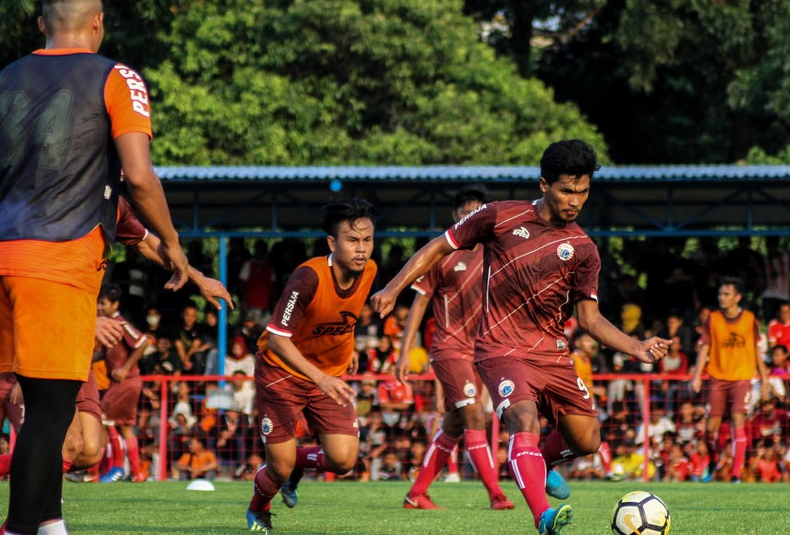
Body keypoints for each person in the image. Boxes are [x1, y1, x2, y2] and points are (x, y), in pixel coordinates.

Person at [0, 1, 188, 533]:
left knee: (39, 401)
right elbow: (141, 179)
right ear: (99, 21)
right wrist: (172, 243)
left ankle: (51, 523)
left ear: (41, 24)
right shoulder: (116, 77)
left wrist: (1, 224)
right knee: (53, 416)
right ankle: (16, 529)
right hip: (59, 258)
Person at [370, 140, 669, 535]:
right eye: (566, 190)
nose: (574, 201)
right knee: (522, 418)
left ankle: (537, 464)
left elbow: (590, 319)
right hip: (500, 348)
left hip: (552, 353)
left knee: (586, 439)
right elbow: (438, 246)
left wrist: (636, 346)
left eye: (582, 192)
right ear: (544, 184)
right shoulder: (499, 217)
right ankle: (543, 516)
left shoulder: (584, 249)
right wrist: (393, 288)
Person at [0, 198, 230, 528]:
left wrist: (198, 278)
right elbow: (33, 283)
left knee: (89, 451)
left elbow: (148, 243)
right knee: (67, 446)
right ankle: (15, 523)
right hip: (48, 336)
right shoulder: (51, 202)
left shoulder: (111, 203)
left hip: (78, 342)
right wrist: (83, 323)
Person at [245, 199, 378, 534]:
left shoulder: (371, 270)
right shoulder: (307, 277)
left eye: (367, 240)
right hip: (281, 373)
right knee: (277, 468)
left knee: (345, 460)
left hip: (329, 375)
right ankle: (258, 508)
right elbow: (277, 339)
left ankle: (296, 464)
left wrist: (346, 347)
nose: (361, 249)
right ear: (332, 243)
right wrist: (320, 377)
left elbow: (342, 316)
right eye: (352, 241)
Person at [393, 185, 513, 511]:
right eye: (465, 213)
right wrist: (404, 353)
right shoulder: (441, 255)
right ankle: (496, 495)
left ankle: (416, 494)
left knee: (455, 424)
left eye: (477, 212)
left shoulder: (496, 253)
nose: (471, 218)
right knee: (475, 414)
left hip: (480, 352)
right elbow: (419, 305)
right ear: (455, 216)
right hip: (449, 349)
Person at [690, 277, 770, 484]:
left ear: (738, 297)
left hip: (742, 377)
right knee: (710, 429)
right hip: (717, 377)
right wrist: (697, 375)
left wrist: (765, 380)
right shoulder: (713, 319)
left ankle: (736, 473)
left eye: (726, 294)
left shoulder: (750, 319)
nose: (721, 298)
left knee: (738, 420)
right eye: (720, 294)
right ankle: (714, 459)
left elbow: (756, 349)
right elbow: (705, 348)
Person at [95, 285, 150, 483]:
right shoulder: (110, 324)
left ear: (115, 305)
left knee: (101, 421)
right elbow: (107, 352)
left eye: (103, 303)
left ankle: (107, 470)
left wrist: (125, 368)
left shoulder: (120, 323)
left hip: (125, 381)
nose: (99, 307)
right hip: (124, 381)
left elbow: (144, 341)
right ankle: (137, 472)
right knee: (124, 426)